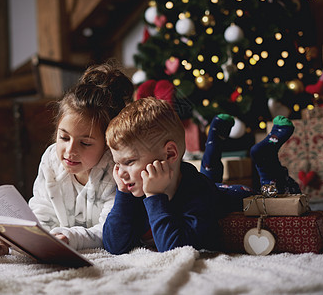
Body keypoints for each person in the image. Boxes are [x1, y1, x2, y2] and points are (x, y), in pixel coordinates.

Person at [0, 63, 134, 256]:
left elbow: (110, 232)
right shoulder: (51, 159)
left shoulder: (114, 169)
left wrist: (70, 237)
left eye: (85, 143)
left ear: (107, 143)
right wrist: (10, 245)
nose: (70, 150)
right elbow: (41, 215)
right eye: (64, 138)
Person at [102, 97, 300, 254]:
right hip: (205, 183)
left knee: (272, 197)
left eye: (128, 162)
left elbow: (175, 250)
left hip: (229, 196)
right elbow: (113, 246)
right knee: (209, 177)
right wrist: (123, 195)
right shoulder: (134, 190)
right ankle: (214, 140)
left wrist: (155, 198)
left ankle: (264, 157)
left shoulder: (197, 193)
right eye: (117, 163)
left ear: (170, 155)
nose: (120, 172)